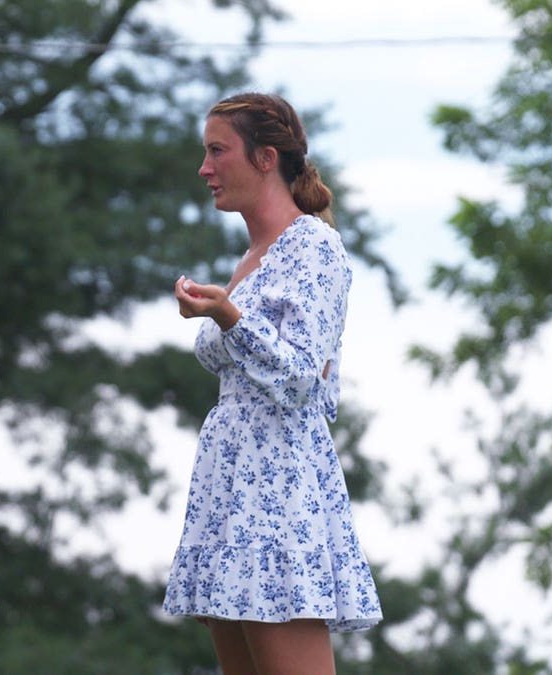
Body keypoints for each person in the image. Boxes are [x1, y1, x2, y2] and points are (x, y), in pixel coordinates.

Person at [162, 93, 383, 674]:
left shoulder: (314, 247)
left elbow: (303, 381)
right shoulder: (251, 259)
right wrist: (222, 311)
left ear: (265, 158)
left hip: (278, 490)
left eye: (217, 151)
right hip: (230, 487)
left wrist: (228, 316)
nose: (204, 169)